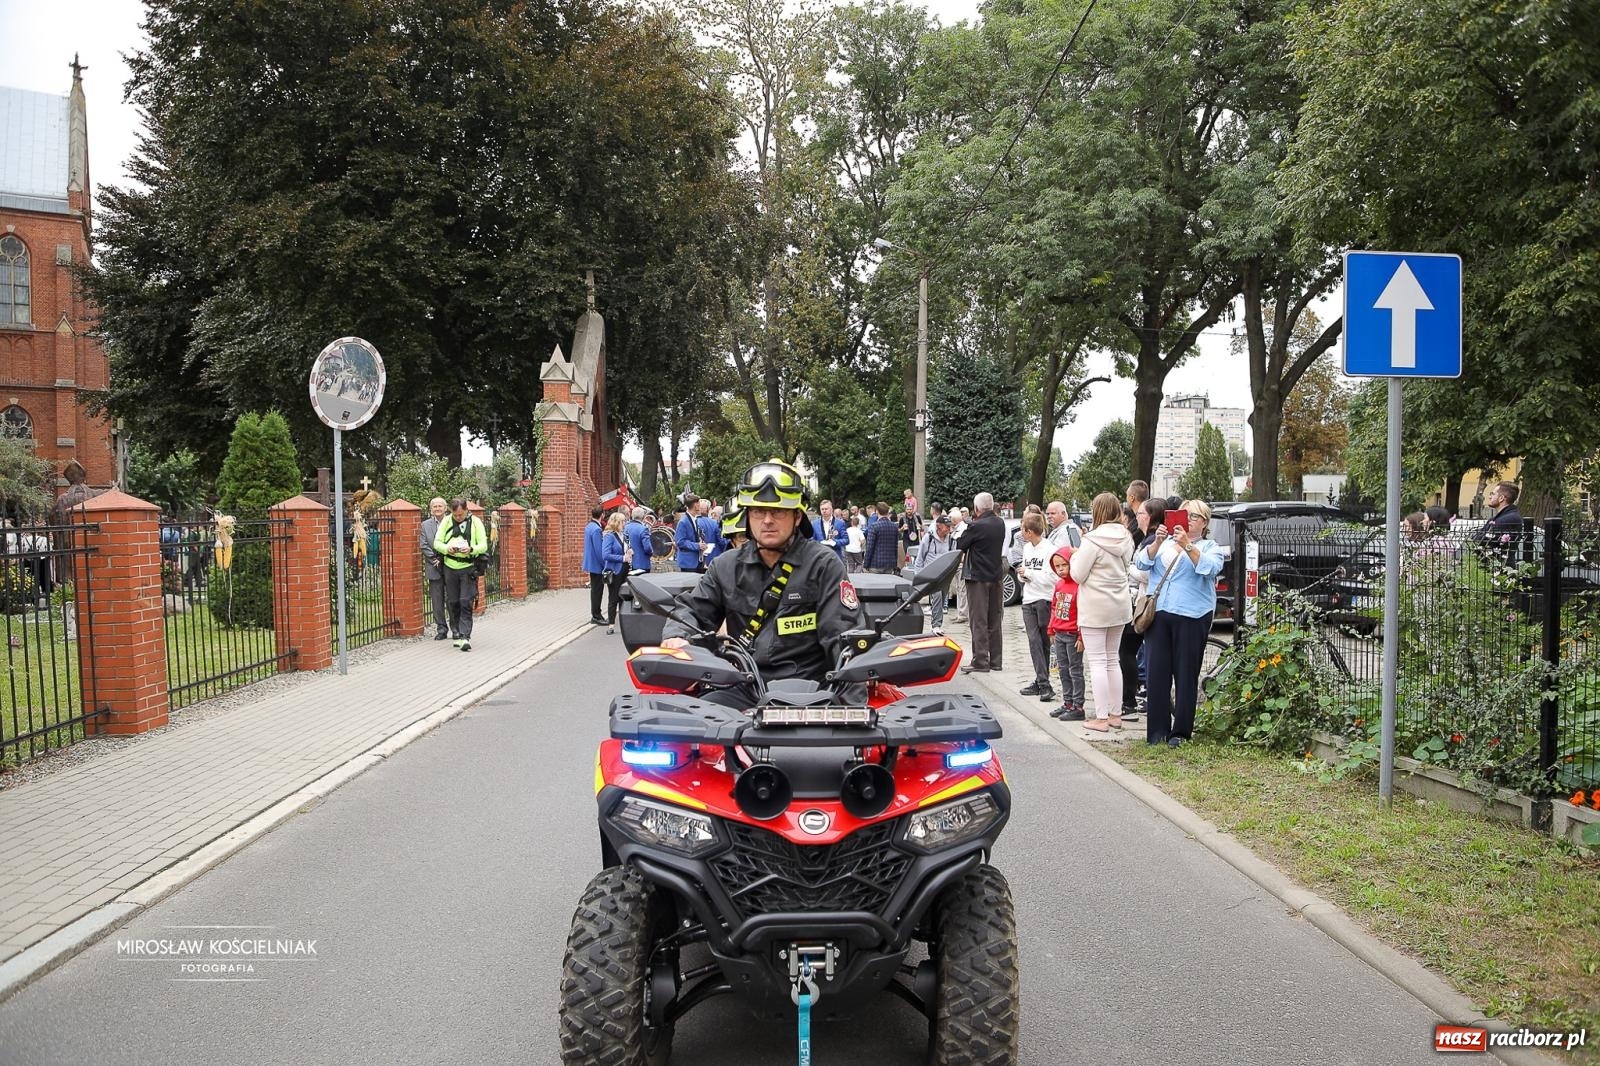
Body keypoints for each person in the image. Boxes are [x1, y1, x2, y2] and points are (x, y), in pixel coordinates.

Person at [661, 460, 865, 704]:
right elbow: (692, 609)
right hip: (745, 688)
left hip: (813, 692)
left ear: (797, 516)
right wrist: (678, 636)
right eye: (758, 511)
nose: (767, 520)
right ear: (748, 515)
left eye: (777, 511)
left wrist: (853, 719)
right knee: (679, 726)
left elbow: (844, 639)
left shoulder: (824, 565)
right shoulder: (725, 567)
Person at [1134, 499, 1224, 747]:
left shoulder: (1210, 546)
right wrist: (1158, 543)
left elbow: (1210, 568)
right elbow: (1141, 562)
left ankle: (1181, 732)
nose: (1187, 520)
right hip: (1159, 614)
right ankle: (1157, 732)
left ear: (1204, 522)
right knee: (1156, 673)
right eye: (1183, 515)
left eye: (1193, 517)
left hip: (1192, 615)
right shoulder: (1163, 544)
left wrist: (1188, 546)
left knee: (1185, 675)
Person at [1070, 492, 1135, 732]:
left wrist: (1076, 554)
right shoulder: (1126, 537)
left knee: (1096, 662)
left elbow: (1077, 575)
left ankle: (1100, 717)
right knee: (1112, 660)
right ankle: (1116, 714)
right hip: (1119, 605)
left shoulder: (1092, 540)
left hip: (1095, 607)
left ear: (1097, 511)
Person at [1119, 497, 1166, 718]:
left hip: (1142, 601)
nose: (1137, 517)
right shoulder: (1146, 538)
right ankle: (1138, 693)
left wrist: (1129, 568)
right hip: (1141, 599)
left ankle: (1130, 698)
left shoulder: (1151, 542)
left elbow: (1147, 572)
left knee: (1127, 649)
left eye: (1141, 514)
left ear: (1151, 517)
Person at [957, 493, 1006, 673]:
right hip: (996, 576)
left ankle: (980, 661)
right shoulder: (999, 523)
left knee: (978, 620)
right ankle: (996, 661)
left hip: (978, 577)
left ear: (976, 509)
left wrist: (969, 524)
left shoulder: (976, 526)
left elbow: (960, 545)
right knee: (994, 619)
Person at [433, 497, 488, 651]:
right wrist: (446, 549)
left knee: (465, 601)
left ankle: (465, 636)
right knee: (453, 602)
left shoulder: (476, 523)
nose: (458, 518)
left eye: (461, 515)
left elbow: (483, 545)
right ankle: (456, 631)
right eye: (455, 515)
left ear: (466, 511)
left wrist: (471, 549)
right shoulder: (446, 522)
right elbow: (437, 542)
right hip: (450, 567)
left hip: (468, 567)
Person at [1016, 513, 1058, 701]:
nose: (1021, 533)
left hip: (1044, 599)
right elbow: (1025, 571)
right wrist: (1022, 575)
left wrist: (1030, 574)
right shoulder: (1026, 548)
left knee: (1043, 641)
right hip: (1029, 598)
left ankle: (1044, 681)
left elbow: (1053, 578)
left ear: (1030, 532)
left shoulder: (1049, 549)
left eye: (1023, 529)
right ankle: (1042, 682)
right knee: (1033, 641)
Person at [1047, 546, 1086, 721]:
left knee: (1075, 670)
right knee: (1063, 670)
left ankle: (1078, 706)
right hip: (1059, 633)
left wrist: (1081, 636)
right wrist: (1051, 628)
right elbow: (1054, 607)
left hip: (1072, 634)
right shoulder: (1059, 585)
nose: (1061, 569)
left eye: (1065, 565)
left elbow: (1084, 612)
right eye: (1058, 566)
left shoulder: (1079, 586)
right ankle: (1067, 702)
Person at [913, 513, 955, 633]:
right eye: (946, 526)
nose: (948, 528)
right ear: (939, 526)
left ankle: (936, 623)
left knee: (942, 598)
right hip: (932, 574)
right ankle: (936, 625)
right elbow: (920, 558)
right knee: (936, 596)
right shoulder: (929, 538)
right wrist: (918, 576)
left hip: (945, 574)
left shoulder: (951, 539)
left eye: (949, 526)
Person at [420, 497, 450, 639]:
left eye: (440, 506)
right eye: (435, 506)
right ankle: (441, 629)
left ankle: (456, 627)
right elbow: (424, 544)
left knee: (452, 599)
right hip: (434, 566)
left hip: (451, 566)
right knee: (437, 600)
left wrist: (445, 558)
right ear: (431, 509)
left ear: (445, 508)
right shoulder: (425, 525)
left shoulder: (452, 522)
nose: (437, 509)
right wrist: (435, 559)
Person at [601, 511, 630, 634]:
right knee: (613, 598)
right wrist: (622, 558)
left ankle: (623, 624)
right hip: (614, 570)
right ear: (617, 522)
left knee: (623, 597)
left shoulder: (623, 535)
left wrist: (629, 553)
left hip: (625, 569)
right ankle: (611, 625)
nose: (625, 523)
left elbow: (624, 549)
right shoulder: (609, 536)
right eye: (623, 521)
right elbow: (605, 555)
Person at [581, 506, 607, 626]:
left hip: (591, 563)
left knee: (595, 590)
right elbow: (599, 550)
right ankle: (596, 615)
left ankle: (596, 614)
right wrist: (605, 565)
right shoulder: (597, 529)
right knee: (597, 591)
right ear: (602, 515)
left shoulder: (589, 526)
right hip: (597, 565)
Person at [863, 502, 900, 574]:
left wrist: (866, 564)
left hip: (875, 563)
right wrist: (895, 563)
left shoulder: (874, 526)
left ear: (877, 511)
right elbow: (895, 547)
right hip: (890, 563)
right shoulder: (894, 526)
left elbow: (870, 547)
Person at [675, 494, 707, 573]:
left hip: (697, 561)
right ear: (695, 505)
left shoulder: (694, 519)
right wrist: (697, 545)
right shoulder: (683, 522)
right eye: (699, 503)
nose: (700, 505)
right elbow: (680, 542)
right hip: (688, 563)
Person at [624, 506, 654, 575]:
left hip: (627, 563)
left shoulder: (625, 527)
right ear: (643, 517)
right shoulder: (643, 529)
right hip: (641, 563)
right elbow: (647, 548)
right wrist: (651, 553)